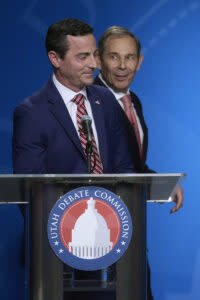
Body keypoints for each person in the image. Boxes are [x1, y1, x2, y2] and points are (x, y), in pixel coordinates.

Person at [94, 25, 184, 299]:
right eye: (114, 57)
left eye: (130, 57)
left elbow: (131, 162)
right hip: (97, 231)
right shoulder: (86, 103)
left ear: (140, 61)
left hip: (129, 227)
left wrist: (160, 184)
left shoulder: (134, 102)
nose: (123, 66)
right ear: (98, 59)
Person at [12, 19, 134, 175]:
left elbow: (124, 167)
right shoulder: (31, 113)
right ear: (55, 58)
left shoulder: (106, 99)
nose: (93, 64)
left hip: (107, 199)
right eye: (83, 57)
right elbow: (31, 184)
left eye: (94, 55)